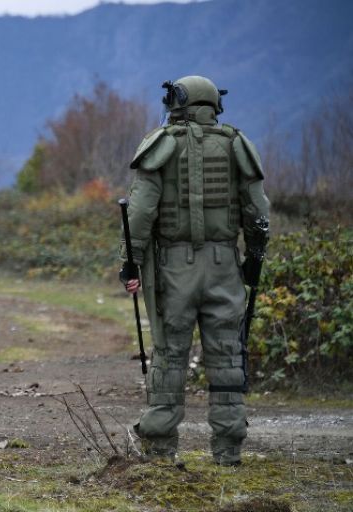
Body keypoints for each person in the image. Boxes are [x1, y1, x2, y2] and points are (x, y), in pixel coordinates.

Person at [120, 76, 270, 466]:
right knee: (226, 355)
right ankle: (228, 450)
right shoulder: (237, 145)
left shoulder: (160, 145)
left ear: (177, 102)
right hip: (224, 266)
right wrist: (253, 258)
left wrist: (130, 262)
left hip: (173, 268)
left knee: (170, 355)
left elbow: (139, 213)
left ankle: (160, 448)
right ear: (213, 105)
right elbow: (259, 213)